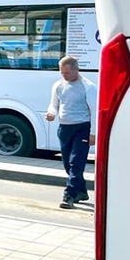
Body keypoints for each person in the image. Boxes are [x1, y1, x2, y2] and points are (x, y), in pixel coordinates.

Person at [46, 56, 98, 209]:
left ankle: (68, 195)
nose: (64, 75)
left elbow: (95, 111)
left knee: (76, 162)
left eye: (67, 72)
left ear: (77, 70)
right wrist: (51, 113)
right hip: (64, 128)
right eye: (62, 72)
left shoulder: (88, 87)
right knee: (67, 164)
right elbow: (54, 104)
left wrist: (93, 133)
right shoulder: (58, 85)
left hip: (82, 128)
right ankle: (81, 191)